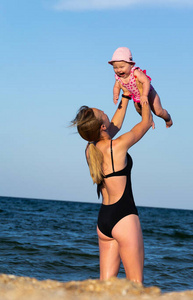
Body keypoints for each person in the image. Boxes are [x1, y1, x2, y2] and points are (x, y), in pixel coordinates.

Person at [71, 97, 153, 283]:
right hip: (124, 219)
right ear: (101, 127)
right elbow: (146, 122)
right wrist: (144, 93)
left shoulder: (90, 149)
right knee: (136, 286)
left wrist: (126, 95)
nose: (107, 113)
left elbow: (114, 124)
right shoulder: (118, 146)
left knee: (106, 288)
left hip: (104, 221)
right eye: (103, 113)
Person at [109, 47, 173, 128]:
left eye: (122, 67)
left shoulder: (135, 72)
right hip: (136, 96)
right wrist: (115, 95)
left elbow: (146, 81)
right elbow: (116, 87)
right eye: (115, 68)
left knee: (158, 111)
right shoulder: (118, 77)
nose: (119, 70)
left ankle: (167, 118)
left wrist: (145, 95)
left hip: (149, 92)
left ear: (131, 65)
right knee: (139, 110)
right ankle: (149, 120)